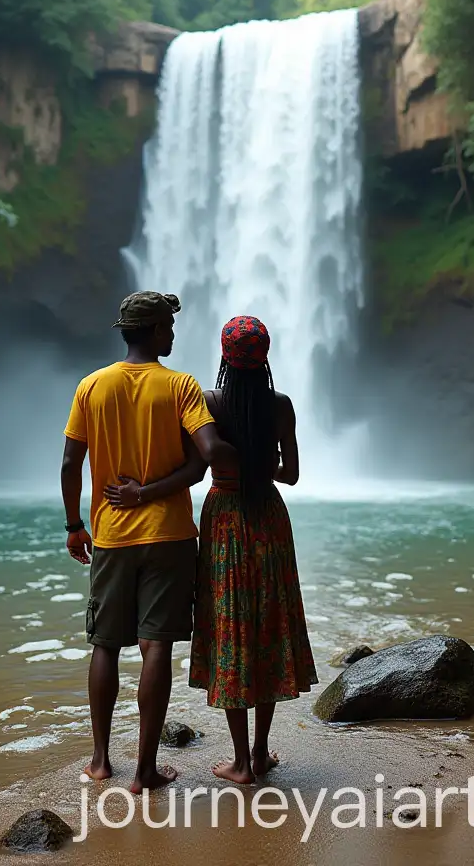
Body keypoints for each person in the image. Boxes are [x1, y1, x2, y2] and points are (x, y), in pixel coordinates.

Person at [105, 314, 317, 785]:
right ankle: (261, 755)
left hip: (224, 519)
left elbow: (196, 470)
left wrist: (142, 493)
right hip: (269, 519)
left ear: (224, 356)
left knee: (231, 630)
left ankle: (240, 761)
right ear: (265, 356)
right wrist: (264, 466)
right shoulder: (281, 405)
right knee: (267, 627)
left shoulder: (208, 401)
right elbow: (292, 474)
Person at [60, 290, 236, 794]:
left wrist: (75, 524)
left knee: (105, 645)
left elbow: (71, 463)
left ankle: (99, 761)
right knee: (156, 644)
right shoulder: (181, 386)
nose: (174, 334)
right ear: (156, 331)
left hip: (112, 537)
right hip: (171, 536)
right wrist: (153, 493)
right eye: (169, 326)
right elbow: (205, 459)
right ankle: (144, 771)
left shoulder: (91, 386)